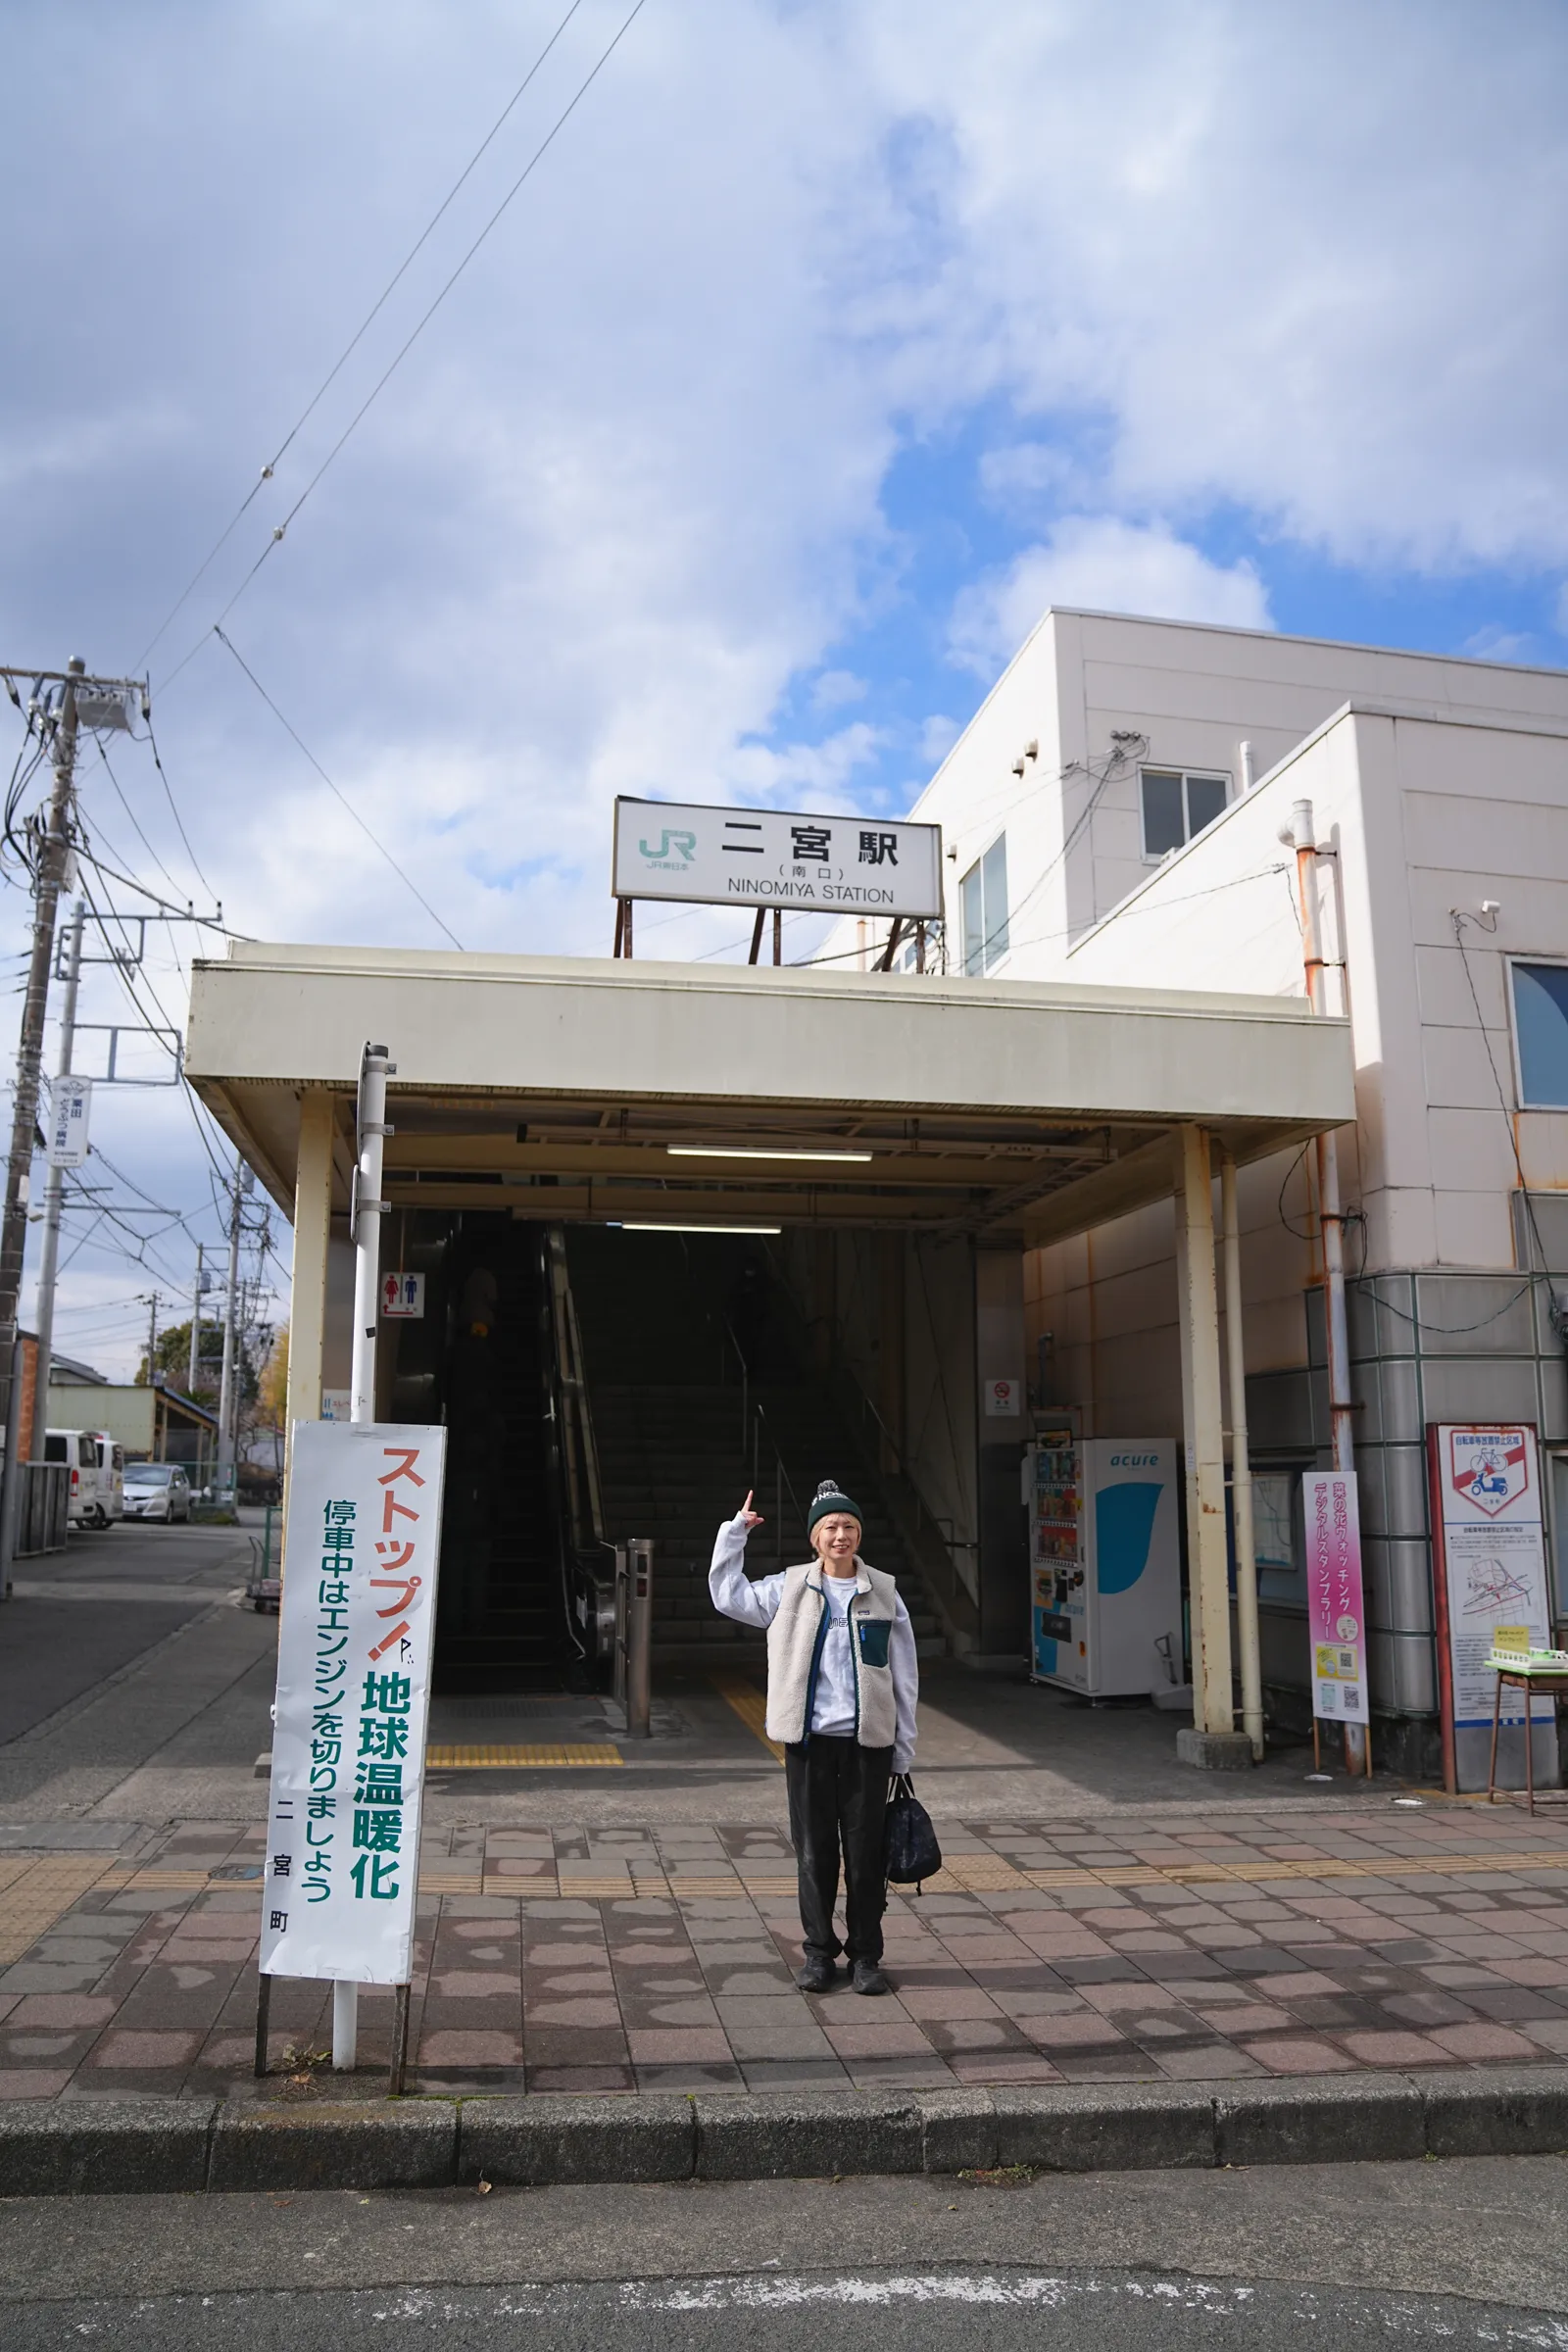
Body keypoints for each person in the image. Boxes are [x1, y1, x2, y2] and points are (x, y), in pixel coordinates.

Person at [709, 1478, 918, 1995]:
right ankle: (819, 1953)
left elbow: (905, 1677)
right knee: (814, 1853)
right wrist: (734, 1535)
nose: (840, 1535)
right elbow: (727, 1595)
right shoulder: (788, 1588)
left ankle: (866, 1956)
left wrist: (903, 1750)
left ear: (859, 1534)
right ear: (814, 1537)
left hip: (869, 1746)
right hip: (808, 1745)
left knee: (867, 1855)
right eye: (830, 1527)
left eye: (848, 1526)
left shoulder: (885, 1594)